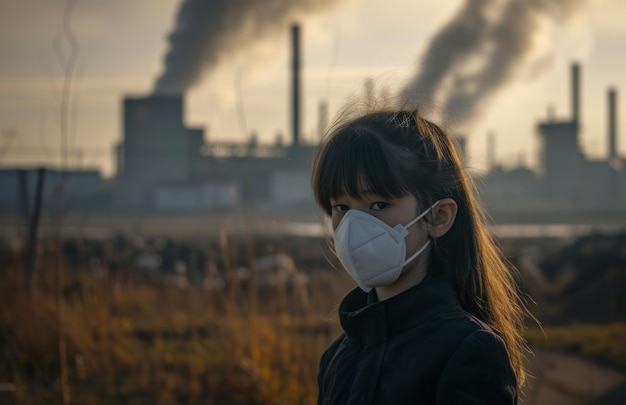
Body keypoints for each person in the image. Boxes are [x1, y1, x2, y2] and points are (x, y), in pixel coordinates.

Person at [311, 109, 528, 404]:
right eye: (341, 207)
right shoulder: (337, 358)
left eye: (378, 204)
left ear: (438, 217)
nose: (354, 225)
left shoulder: (467, 351)